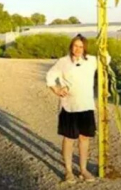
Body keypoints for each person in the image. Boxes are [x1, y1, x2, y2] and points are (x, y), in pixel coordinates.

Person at [45, 34, 111, 184]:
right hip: (69, 106)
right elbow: (50, 76)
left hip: (86, 106)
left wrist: (103, 46)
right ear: (71, 46)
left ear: (85, 48)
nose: (78, 49)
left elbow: (106, 61)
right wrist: (56, 89)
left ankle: (83, 170)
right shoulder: (63, 62)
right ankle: (68, 171)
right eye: (75, 46)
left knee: (84, 138)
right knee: (69, 139)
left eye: (81, 46)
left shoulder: (91, 61)